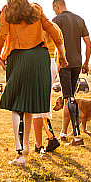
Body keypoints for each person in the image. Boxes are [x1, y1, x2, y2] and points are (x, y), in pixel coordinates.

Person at [0, 0, 67, 166]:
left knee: (16, 105)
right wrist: (62, 55)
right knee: (28, 103)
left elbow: (1, 35)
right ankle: (26, 145)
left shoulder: (7, 12)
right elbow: (53, 30)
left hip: (19, 57)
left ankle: (20, 154)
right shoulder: (35, 10)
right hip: (40, 58)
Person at [52, 0, 91, 146]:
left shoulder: (56, 21)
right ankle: (63, 133)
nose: (54, 12)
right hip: (77, 63)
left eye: (54, 9)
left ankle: (77, 137)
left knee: (69, 98)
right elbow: (89, 44)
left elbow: (51, 43)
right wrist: (86, 63)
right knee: (70, 98)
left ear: (57, 6)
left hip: (64, 63)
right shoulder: (79, 20)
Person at [31, 23, 63, 154]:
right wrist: (57, 67)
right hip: (52, 63)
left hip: (40, 63)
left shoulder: (37, 26)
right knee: (43, 104)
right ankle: (51, 137)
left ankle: (39, 144)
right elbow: (61, 48)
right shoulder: (55, 27)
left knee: (36, 107)